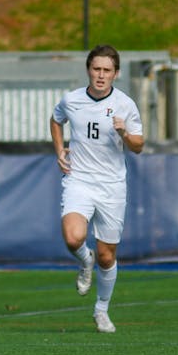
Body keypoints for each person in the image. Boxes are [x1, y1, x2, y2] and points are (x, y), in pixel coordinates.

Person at [49, 44, 144, 333]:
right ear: (88, 70)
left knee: (107, 256)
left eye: (106, 70)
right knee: (73, 237)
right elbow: (56, 120)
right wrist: (59, 151)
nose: (100, 75)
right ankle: (84, 261)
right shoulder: (72, 99)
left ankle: (101, 310)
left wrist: (123, 132)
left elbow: (138, 146)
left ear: (116, 73)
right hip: (79, 180)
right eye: (96, 69)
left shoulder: (125, 105)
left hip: (112, 186)